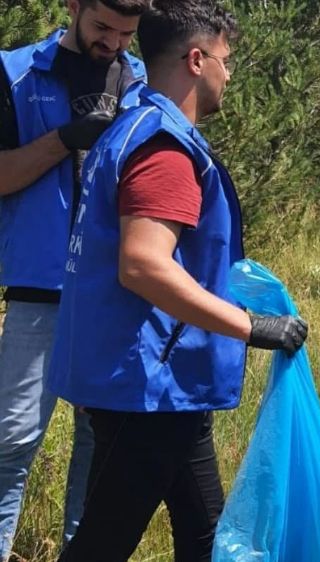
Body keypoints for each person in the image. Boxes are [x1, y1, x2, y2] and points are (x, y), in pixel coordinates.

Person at [46, 2, 307, 560]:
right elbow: (143, 264)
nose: (229, 74)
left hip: (155, 381)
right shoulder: (164, 147)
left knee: (206, 532)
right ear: (196, 59)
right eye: (225, 60)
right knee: (102, 542)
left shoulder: (132, 122)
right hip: (147, 384)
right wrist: (250, 326)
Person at [0, 0, 149, 557]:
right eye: (102, 27)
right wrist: (66, 138)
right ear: (73, 6)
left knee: (100, 448)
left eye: (126, 33)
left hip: (115, 293)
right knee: (10, 444)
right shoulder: (14, 74)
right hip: (39, 290)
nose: (112, 43)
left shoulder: (139, 82)